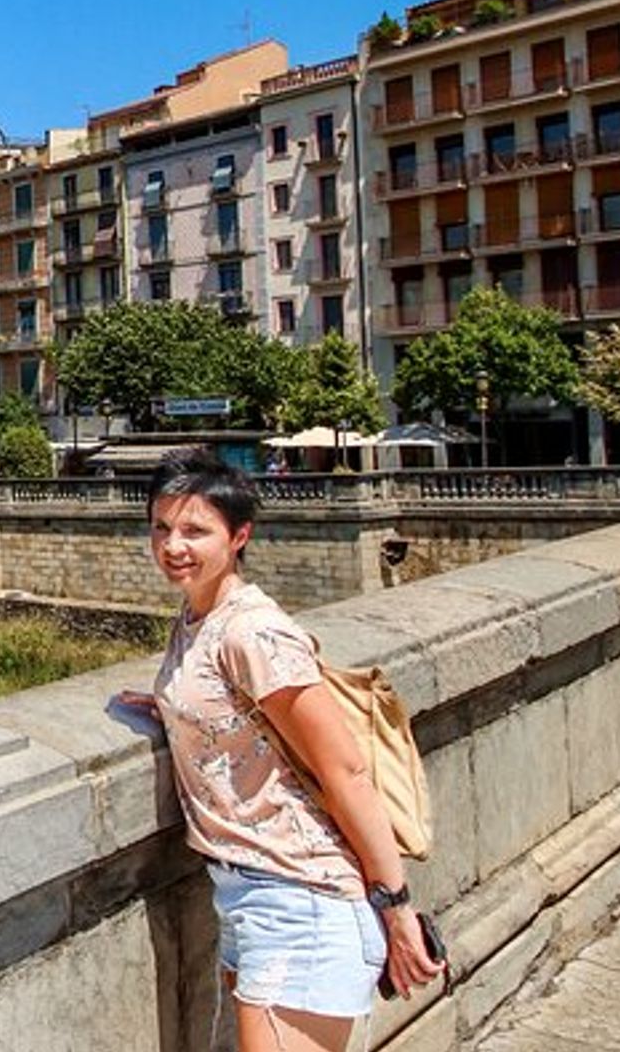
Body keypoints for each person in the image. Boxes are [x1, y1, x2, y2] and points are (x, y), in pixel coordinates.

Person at [116, 450, 442, 1052]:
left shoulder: (254, 632)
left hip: (300, 897)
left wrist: (396, 909)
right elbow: (234, 714)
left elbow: (345, 771)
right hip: (252, 893)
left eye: (194, 531)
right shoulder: (197, 616)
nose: (172, 546)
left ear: (239, 536)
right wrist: (170, 704)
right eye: (161, 528)